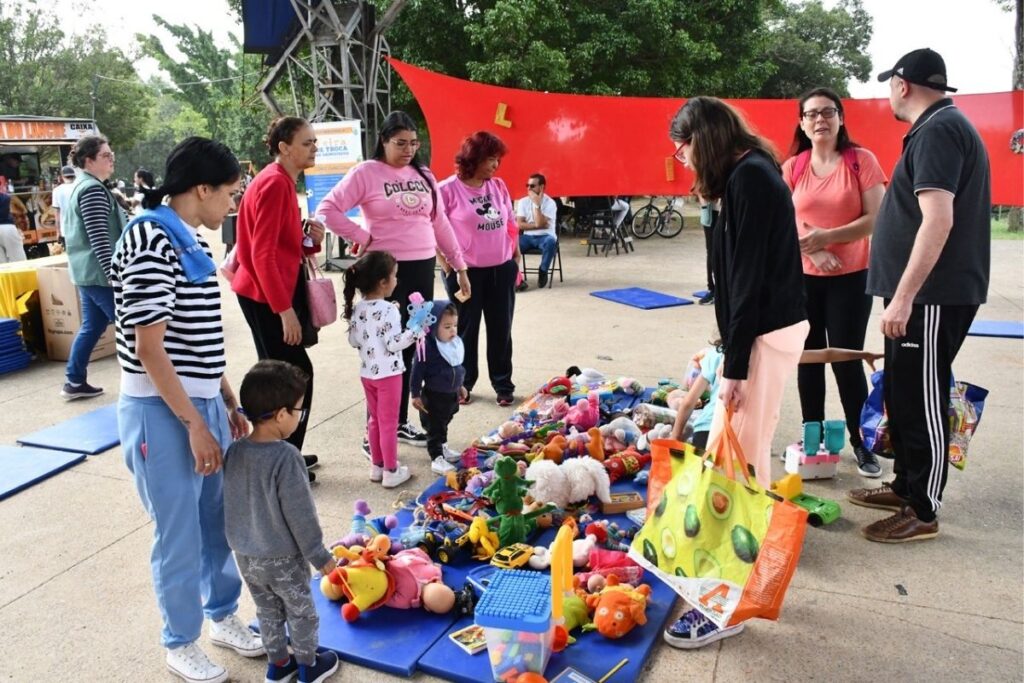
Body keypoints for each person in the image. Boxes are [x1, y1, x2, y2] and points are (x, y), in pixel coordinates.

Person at [110, 137, 264, 683]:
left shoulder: (188, 238)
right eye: (228, 192)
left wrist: (223, 399)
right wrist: (195, 425)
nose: (232, 202)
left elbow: (190, 339)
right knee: (178, 535)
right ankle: (180, 641)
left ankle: (222, 615)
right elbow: (150, 348)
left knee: (215, 523)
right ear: (201, 188)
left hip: (199, 403)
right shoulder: (151, 237)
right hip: (163, 412)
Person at [663, 96, 808, 650]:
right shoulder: (749, 173)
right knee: (737, 458)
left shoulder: (750, 178)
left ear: (704, 138)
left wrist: (736, 364)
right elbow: (737, 277)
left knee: (739, 469)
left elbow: (747, 280)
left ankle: (727, 601)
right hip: (762, 332)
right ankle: (734, 581)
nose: (683, 160)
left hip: (765, 335)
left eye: (683, 148)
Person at [849, 48, 990, 544]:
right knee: (904, 393)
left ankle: (923, 508)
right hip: (919, 296)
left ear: (903, 84)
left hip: (930, 296)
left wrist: (906, 296)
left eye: (890, 84)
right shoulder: (939, 128)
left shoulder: (938, 130)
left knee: (924, 395)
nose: (890, 92)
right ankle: (907, 484)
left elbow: (939, 218)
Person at [316, 111, 470, 454]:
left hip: (421, 267)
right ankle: (373, 431)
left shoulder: (424, 174)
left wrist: (459, 265)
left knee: (414, 345)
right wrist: (363, 237)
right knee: (385, 350)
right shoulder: (366, 172)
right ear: (383, 141)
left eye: (414, 143)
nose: (408, 150)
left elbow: (440, 222)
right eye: (400, 143)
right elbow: (328, 209)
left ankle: (398, 422)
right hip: (385, 273)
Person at [782, 86, 888, 479]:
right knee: (807, 358)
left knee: (845, 359)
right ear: (802, 123)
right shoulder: (793, 167)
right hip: (803, 279)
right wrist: (813, 252)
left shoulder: (861, 161)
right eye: (811, 114)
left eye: (828, 112)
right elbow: (784, 220)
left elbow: (877, 218)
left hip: (851, 278)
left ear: (841, 118)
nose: (820, 120)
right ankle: (813, 441)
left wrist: (828, 238)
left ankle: (863, 444)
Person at [225, 360, 340, 683]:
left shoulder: (235, 451)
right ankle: (307, 665)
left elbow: (232, 504)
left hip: (247, 556)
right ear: (280, 415)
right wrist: (320, 557)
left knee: (268, 612)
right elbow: (300, 514)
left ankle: (278, 665)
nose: (299, 418)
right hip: (283, 558)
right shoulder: (286, 457)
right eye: (299, 411)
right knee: (301, 611)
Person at [231, 117, 325, 478]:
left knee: (285, 377)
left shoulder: (282, 181)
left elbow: (280, 247)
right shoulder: (273, 183)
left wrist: (310, 238)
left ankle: (283, 455)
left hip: (266, 294)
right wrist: (283, 310)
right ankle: (283, 460)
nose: (313, 148)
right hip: (265, 296)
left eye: (314, 142)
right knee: (293, 377)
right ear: (284, 147)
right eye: (307, 142)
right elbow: (261, 255)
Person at [437, 131, 519, 407]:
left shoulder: (498, 187)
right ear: (474, 159)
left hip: (501, 269)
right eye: (490, 159)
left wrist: (515, 256)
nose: (495, 165)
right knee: (465, 332)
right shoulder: (447, 189)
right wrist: (447, 266)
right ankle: (464, 383)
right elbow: (432, 229)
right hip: (465, 274)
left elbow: (509, 221)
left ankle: (503, 384)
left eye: (498, 160)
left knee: (501, 329)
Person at [343, 250, 416, 488]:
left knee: (374, 421)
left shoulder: (359, 308)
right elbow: (394, 343)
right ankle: (391, 470)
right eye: (394, 276)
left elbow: (354, 341)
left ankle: (377, 466)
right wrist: (414, 332)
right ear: (383, 282)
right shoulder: (390, 311)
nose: (397, 280)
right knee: (389, 423)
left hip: (368, 374)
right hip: (389, 375)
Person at [61, 134, 126, 400]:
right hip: (100, 275)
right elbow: (99, 237)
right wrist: (115, 276)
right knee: (130, 329)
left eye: (111, 154)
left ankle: (74, 381)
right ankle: (149, 385)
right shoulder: (91, 190)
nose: (111, 159)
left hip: (87, 273)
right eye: (105, 156)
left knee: (93, 326)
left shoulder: (85, 186)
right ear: (89, 161)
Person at [410, 300, 468, 475]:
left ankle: (443, 447)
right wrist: (415, 394)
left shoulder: (452, 345)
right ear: (433, 326)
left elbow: (457, 368)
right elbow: (416, 372)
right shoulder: (426, 347)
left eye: (455, 325)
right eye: (447, 326)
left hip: (450, 395)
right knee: (435, 427)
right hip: (434, 396)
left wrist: (461, 386)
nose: (453, 331)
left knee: (444, 423)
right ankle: (436, 457)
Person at [515, 173, 558, 290]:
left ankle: (543, 271)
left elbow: (540, 223)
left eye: (532, 186)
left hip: (546, 236)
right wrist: (538, 225)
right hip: (528, 237)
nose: (529, 188)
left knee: (550, 242)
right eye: (527, 185)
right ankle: (515, 279)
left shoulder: (550, 203)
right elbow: (520, 225)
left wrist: (537, 205)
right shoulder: (523, 202)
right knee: (511, 244)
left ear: (542, 187)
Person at [696, 195, 718, 306]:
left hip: (721, 210)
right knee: (712, 251)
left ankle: (717, 289)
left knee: (717, 252)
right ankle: (713, 288)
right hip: (711, 211)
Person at [50, 165, 77, 238]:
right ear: (74, 176)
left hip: (66, 230)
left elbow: (57, 213)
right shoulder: (80, 187)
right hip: (81, 229)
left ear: (61, 177)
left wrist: (58, 231)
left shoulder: (56, 190)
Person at [0, 193, 26, 263]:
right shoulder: (5, 198)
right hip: (7, 227)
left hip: (6, 228)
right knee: (18, 258)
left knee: (1, 263)